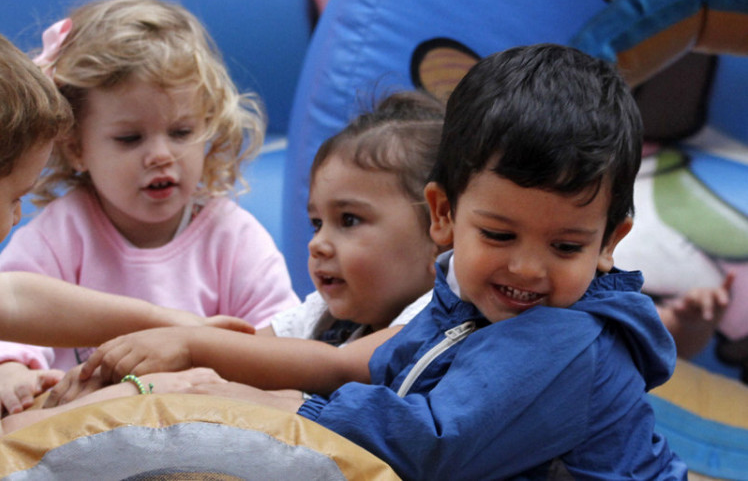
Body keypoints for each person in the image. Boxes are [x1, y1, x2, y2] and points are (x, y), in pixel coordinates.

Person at [178, 44, 689, 479]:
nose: (529, 268)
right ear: (443, 215)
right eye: (499, 234)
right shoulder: (460, 298)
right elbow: (392, 370)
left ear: (608, 244)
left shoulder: (569, 340)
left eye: (566, 247)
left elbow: (433, 444)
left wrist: (286, 405)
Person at [0, 9, 245, 479]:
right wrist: (141, 395)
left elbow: (14, 299)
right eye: (14, 199)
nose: (18, 218)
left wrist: (178, 326)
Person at [0, 0, 299, 416]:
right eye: (130, 139)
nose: (160, 155)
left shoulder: (232, 237)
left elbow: (282, 337)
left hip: (202, 426)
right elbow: (5, 313)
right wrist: (7, 370)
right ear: (76, 146)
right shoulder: (64, 233)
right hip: (84, 430)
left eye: (180, 132)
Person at [43, 90, 446, 405]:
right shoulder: (324, 317)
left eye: (350, 221)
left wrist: (187, 344)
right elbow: (251, 351)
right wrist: (127, 374)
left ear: (439, 229)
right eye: (316, 222)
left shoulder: (440, 313)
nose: (319, 243)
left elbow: (344, 367)